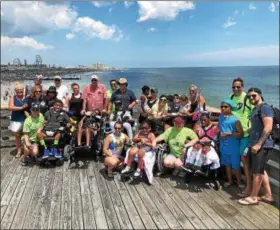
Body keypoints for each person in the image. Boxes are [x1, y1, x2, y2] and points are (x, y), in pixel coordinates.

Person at [238, 88, 274, 205]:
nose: (251, 98)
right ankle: (268, 195)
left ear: (260, 95)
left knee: (257, 171)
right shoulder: (255, 109)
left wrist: (259, 144)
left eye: (254, 96)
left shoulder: (265, 108)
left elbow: (268, 126)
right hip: (253, 143)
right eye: (249, 97)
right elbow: (256, 127)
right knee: (260, 169)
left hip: (262, 145)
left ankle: (253, 197)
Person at [230, 77, 255, 198]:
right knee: (236, 158)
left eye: (238, 87)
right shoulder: (231, 98)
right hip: (235, 134)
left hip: (245, 135)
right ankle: (239, 181)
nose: (235, 89)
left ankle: (249, 187)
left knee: (245, 161)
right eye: (234, 87)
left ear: (243, 87)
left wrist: (251, 129)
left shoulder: (247, 98)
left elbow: (255, 113)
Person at [219, 99, 244, 188]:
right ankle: (229, 181)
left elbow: (241, 134)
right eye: (221, 106)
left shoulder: (235, 120)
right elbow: (220, 127)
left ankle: (239, 182)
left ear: (231, 108)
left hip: (233, 147)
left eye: (225, 107)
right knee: (227, 165)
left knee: (236, 166)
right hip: (223, 146)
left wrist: (229, 134)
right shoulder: (221, 117)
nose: (223, 108)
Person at [8, 83, 28, 158]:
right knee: (17, 136)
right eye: (18, 89)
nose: (20, 91)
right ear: (15, 91)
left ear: (23, 90)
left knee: (27, 135)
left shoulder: (27, 98)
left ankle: (26, 150)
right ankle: (19, 151)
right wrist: (21, 108)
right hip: (16, 120)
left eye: (21, 89)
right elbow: (10, 107)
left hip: (26, 119)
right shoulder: (13, 98)